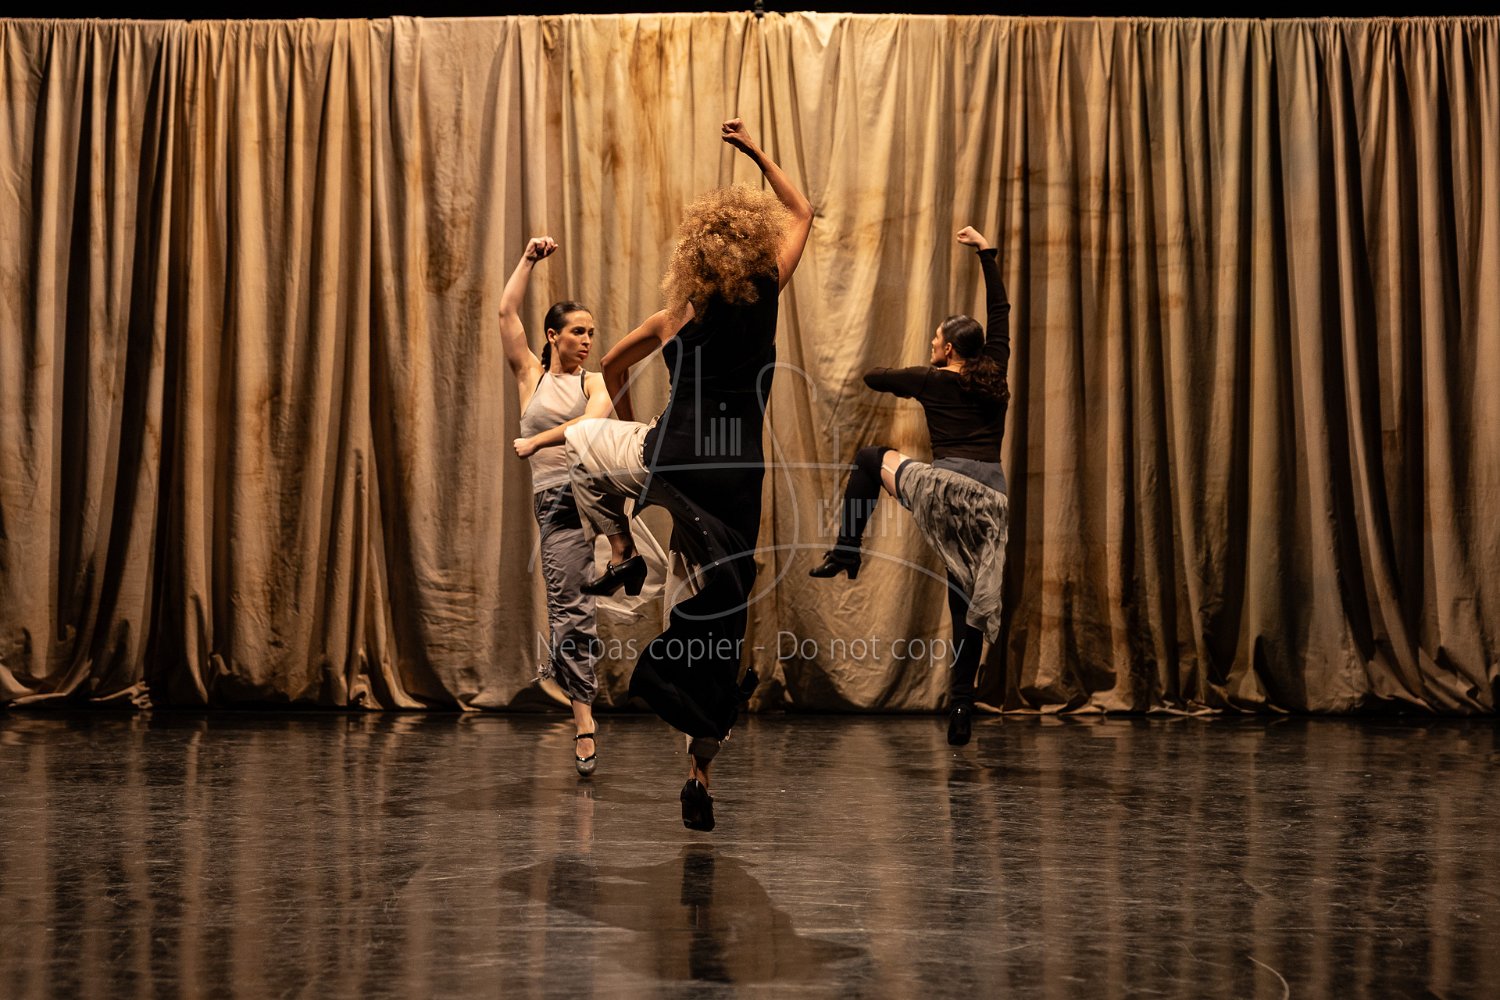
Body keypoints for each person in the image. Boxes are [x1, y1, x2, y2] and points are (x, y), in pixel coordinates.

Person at [565, 118, 812, 830]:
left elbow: (611, 366)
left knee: (580, 442)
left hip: (674, 462)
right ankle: (699, 773)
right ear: (753, 247)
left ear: (695, 258)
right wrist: (756, 150)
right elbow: (802, 211)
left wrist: (638, 425)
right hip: (736, 479)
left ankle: (620, 551)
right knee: (712, 626)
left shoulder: (674, 315)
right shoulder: (768, 289)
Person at [808, 225, 1012, 747]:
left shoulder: (931, 378)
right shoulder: (995, 371)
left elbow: (873, 377)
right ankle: (962, 703)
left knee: (869, 458)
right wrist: (987, 255)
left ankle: (847, 549)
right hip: (991, 503)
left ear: (948, 349)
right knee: (965, 603)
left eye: (936, 341)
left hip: (946, 493)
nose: (932, 344)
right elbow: (1001, 315)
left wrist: (914, 374)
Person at [498, 236, 614, 776]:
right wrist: (527, 259)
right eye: (577, 332)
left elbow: (589, 426)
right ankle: (584, 719)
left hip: (597, 493)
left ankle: (625, 553)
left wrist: (535, 442)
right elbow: (506, 312)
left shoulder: (596, 382)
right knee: (572, 609)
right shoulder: (532, 376)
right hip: (557, 503)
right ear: (553, 336)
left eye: (591, 333)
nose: (587, 341)